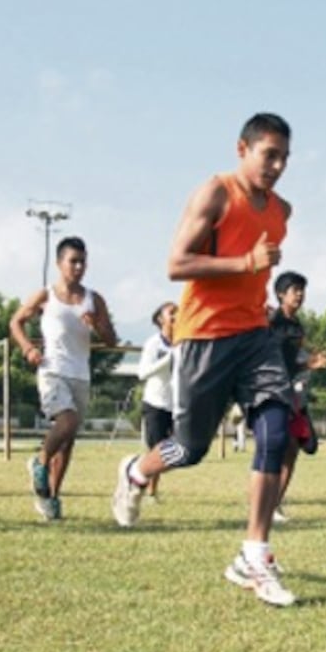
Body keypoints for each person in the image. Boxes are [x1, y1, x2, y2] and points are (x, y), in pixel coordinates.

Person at [110, 112, 298, 607]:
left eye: (284, 158)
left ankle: (253, 554)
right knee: (188, 449)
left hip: (255, 336)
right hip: (204, 338)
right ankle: (135, 471)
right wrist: (245, 264)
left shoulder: (282, 210)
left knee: (275, 432)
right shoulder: (214, 194)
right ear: (242, 149)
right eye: (268, 154)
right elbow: (176, 263)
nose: (276, 166)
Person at [10, 236, 117, 521]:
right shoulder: (45, 296)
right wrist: (28, 348)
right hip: (52, 369)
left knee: (68, 441)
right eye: (73, 261)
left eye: (83, 261)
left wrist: (96, 324)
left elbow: (111, 340)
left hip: (80, 374)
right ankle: (40, 462)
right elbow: (16, 322)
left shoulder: (94, 300)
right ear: (60, 263)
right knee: (66, 420)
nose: (79, 267)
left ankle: (51, 497)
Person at [268, 270, 326, 523]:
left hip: (291, 393)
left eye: (302, 290)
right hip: (271, 391)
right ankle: (266, 505)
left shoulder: (297, 327)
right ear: (281, 294)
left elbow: (292, 363)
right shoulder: (271, 322)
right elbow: (272, 360)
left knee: (297, 448)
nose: (301, 295)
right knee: (277, 448)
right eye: (295, 290)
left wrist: (310, 364)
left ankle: (275, 505)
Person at [136, 301, 177, 498]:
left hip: (176, 405)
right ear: (160, 319)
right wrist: (167, 360)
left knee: (176, 451)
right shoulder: (154, 344)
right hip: (155, 404)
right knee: (156, 449)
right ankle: (150, 490)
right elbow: (142, 373)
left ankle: (138, 472)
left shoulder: (184, 343)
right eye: (172, 313)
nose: (177, 316)